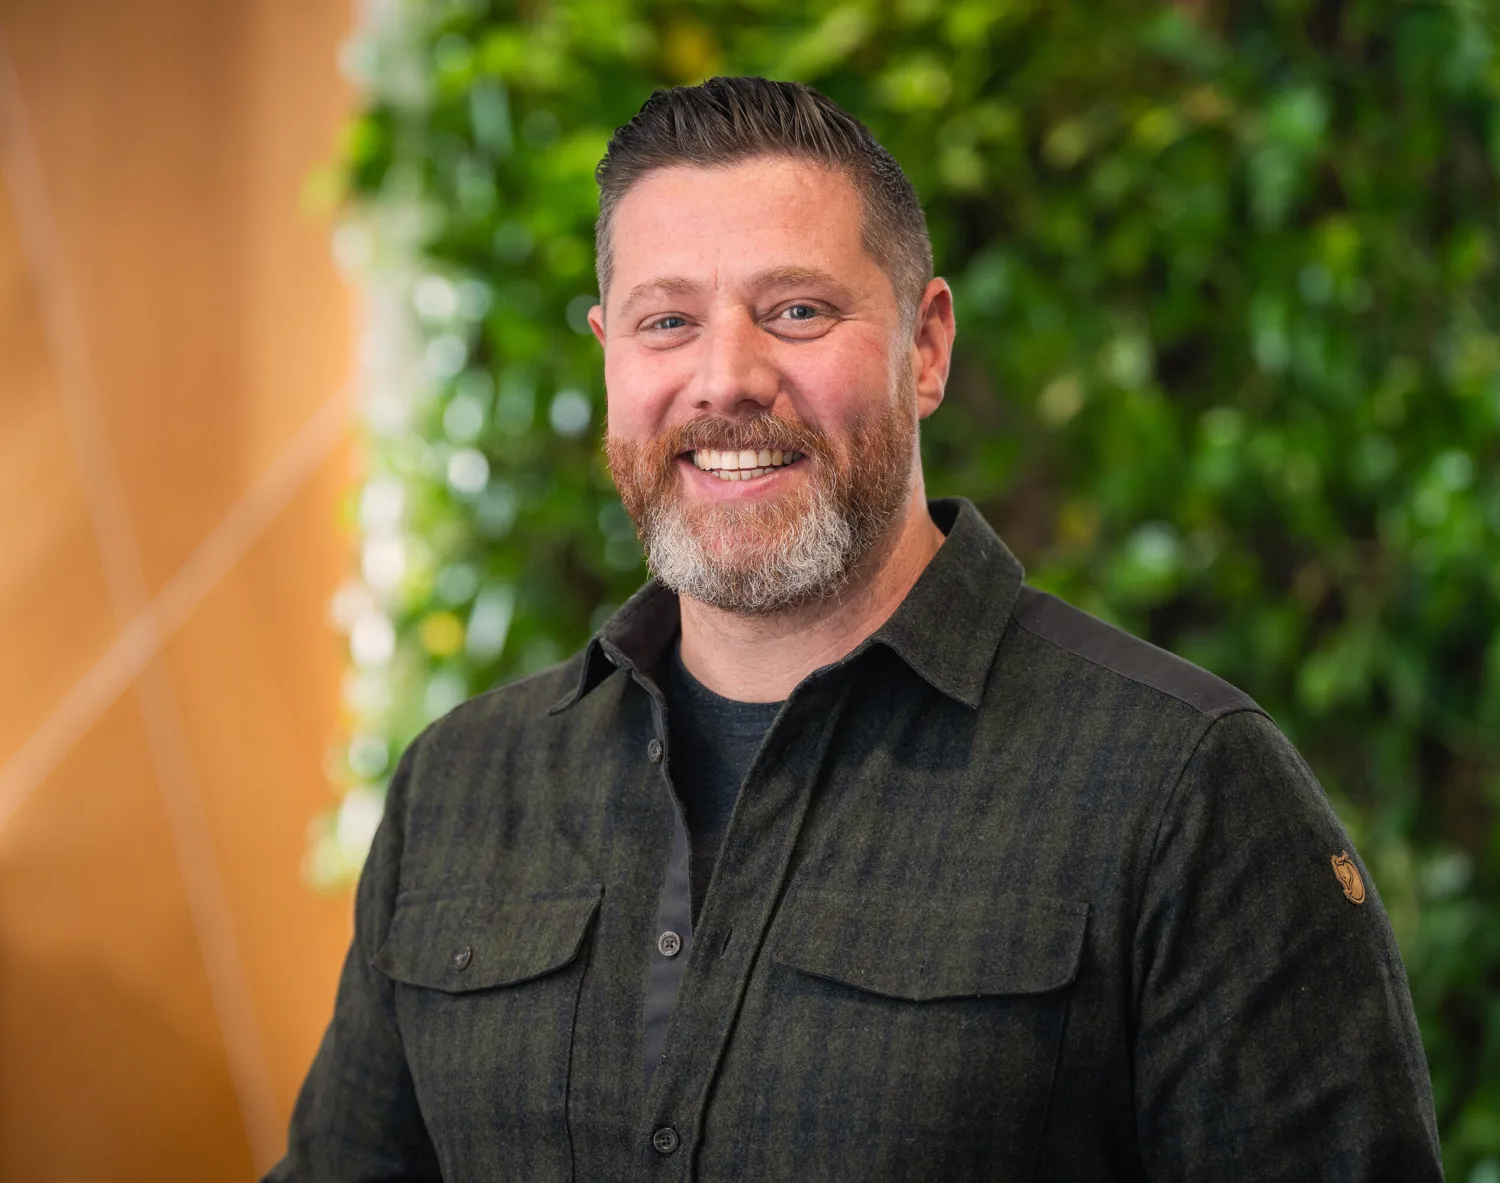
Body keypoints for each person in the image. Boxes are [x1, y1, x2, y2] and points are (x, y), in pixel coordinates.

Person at [268, 76, 1442, 1182]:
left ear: (923, 348)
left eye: (796, 310)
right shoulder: (461, 791)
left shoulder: (1186, 791)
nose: (725, 379)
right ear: (611, 356)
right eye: (667, 320)